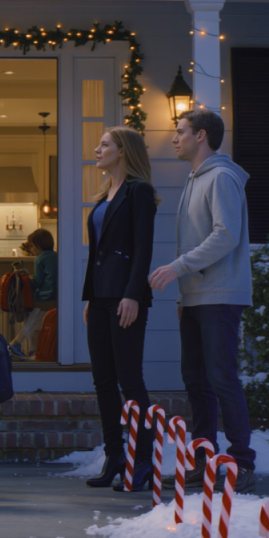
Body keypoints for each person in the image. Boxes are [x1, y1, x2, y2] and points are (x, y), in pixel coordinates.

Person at [149, 110, 256, 494]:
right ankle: (203, 463)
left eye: (180, 132)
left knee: (222, 377)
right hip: (195, 298)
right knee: (196, 380)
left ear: (202, 136)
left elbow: (225, 235)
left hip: (221, 296)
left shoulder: (223, 177)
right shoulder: (196, 179)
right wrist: (184, 294)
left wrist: (177, 269)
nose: (174, 138)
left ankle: (242, 462)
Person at [82, 127, 160, 491]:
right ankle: (115, 456)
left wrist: (132, 294)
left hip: (126, 298)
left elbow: (143, 247)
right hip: (100, 299)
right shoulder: (103, 196)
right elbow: (95, 254)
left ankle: (142, 460)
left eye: (105, 145)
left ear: (123, 151)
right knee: (102, 382)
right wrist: (90, 298)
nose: (97, 149)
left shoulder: (138, 192)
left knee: (130, 380)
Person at [9, 228, 58, 360]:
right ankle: (33, 352)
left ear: (39, 245)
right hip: (56, 297)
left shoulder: (40, 259)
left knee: (31, 322)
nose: (31, 250)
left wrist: (25, 276)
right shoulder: (57, 256)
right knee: (36, 324)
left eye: (32, 246)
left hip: (44, 298)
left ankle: (15, 344)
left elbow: (37, 282)